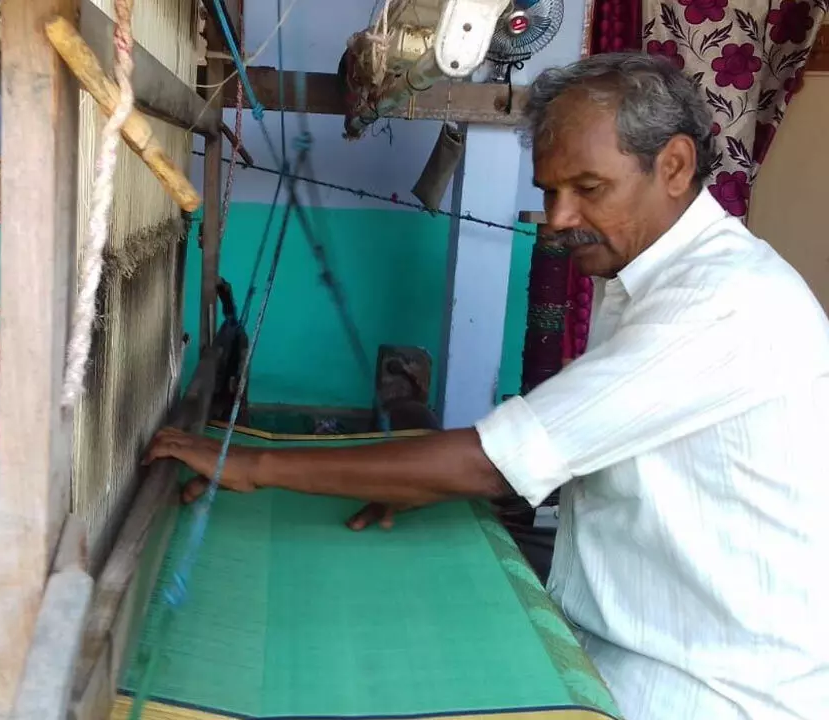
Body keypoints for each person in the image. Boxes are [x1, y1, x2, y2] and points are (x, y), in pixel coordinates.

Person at [145, 53, 829, 720]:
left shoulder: (722, 303)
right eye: (548, 191)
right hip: (634, 646)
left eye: (588, 189)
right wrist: (414, 477)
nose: (557, 220)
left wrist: (255, 464)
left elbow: (494, 460)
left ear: (674, 166)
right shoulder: (649, 280)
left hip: (706, 687)